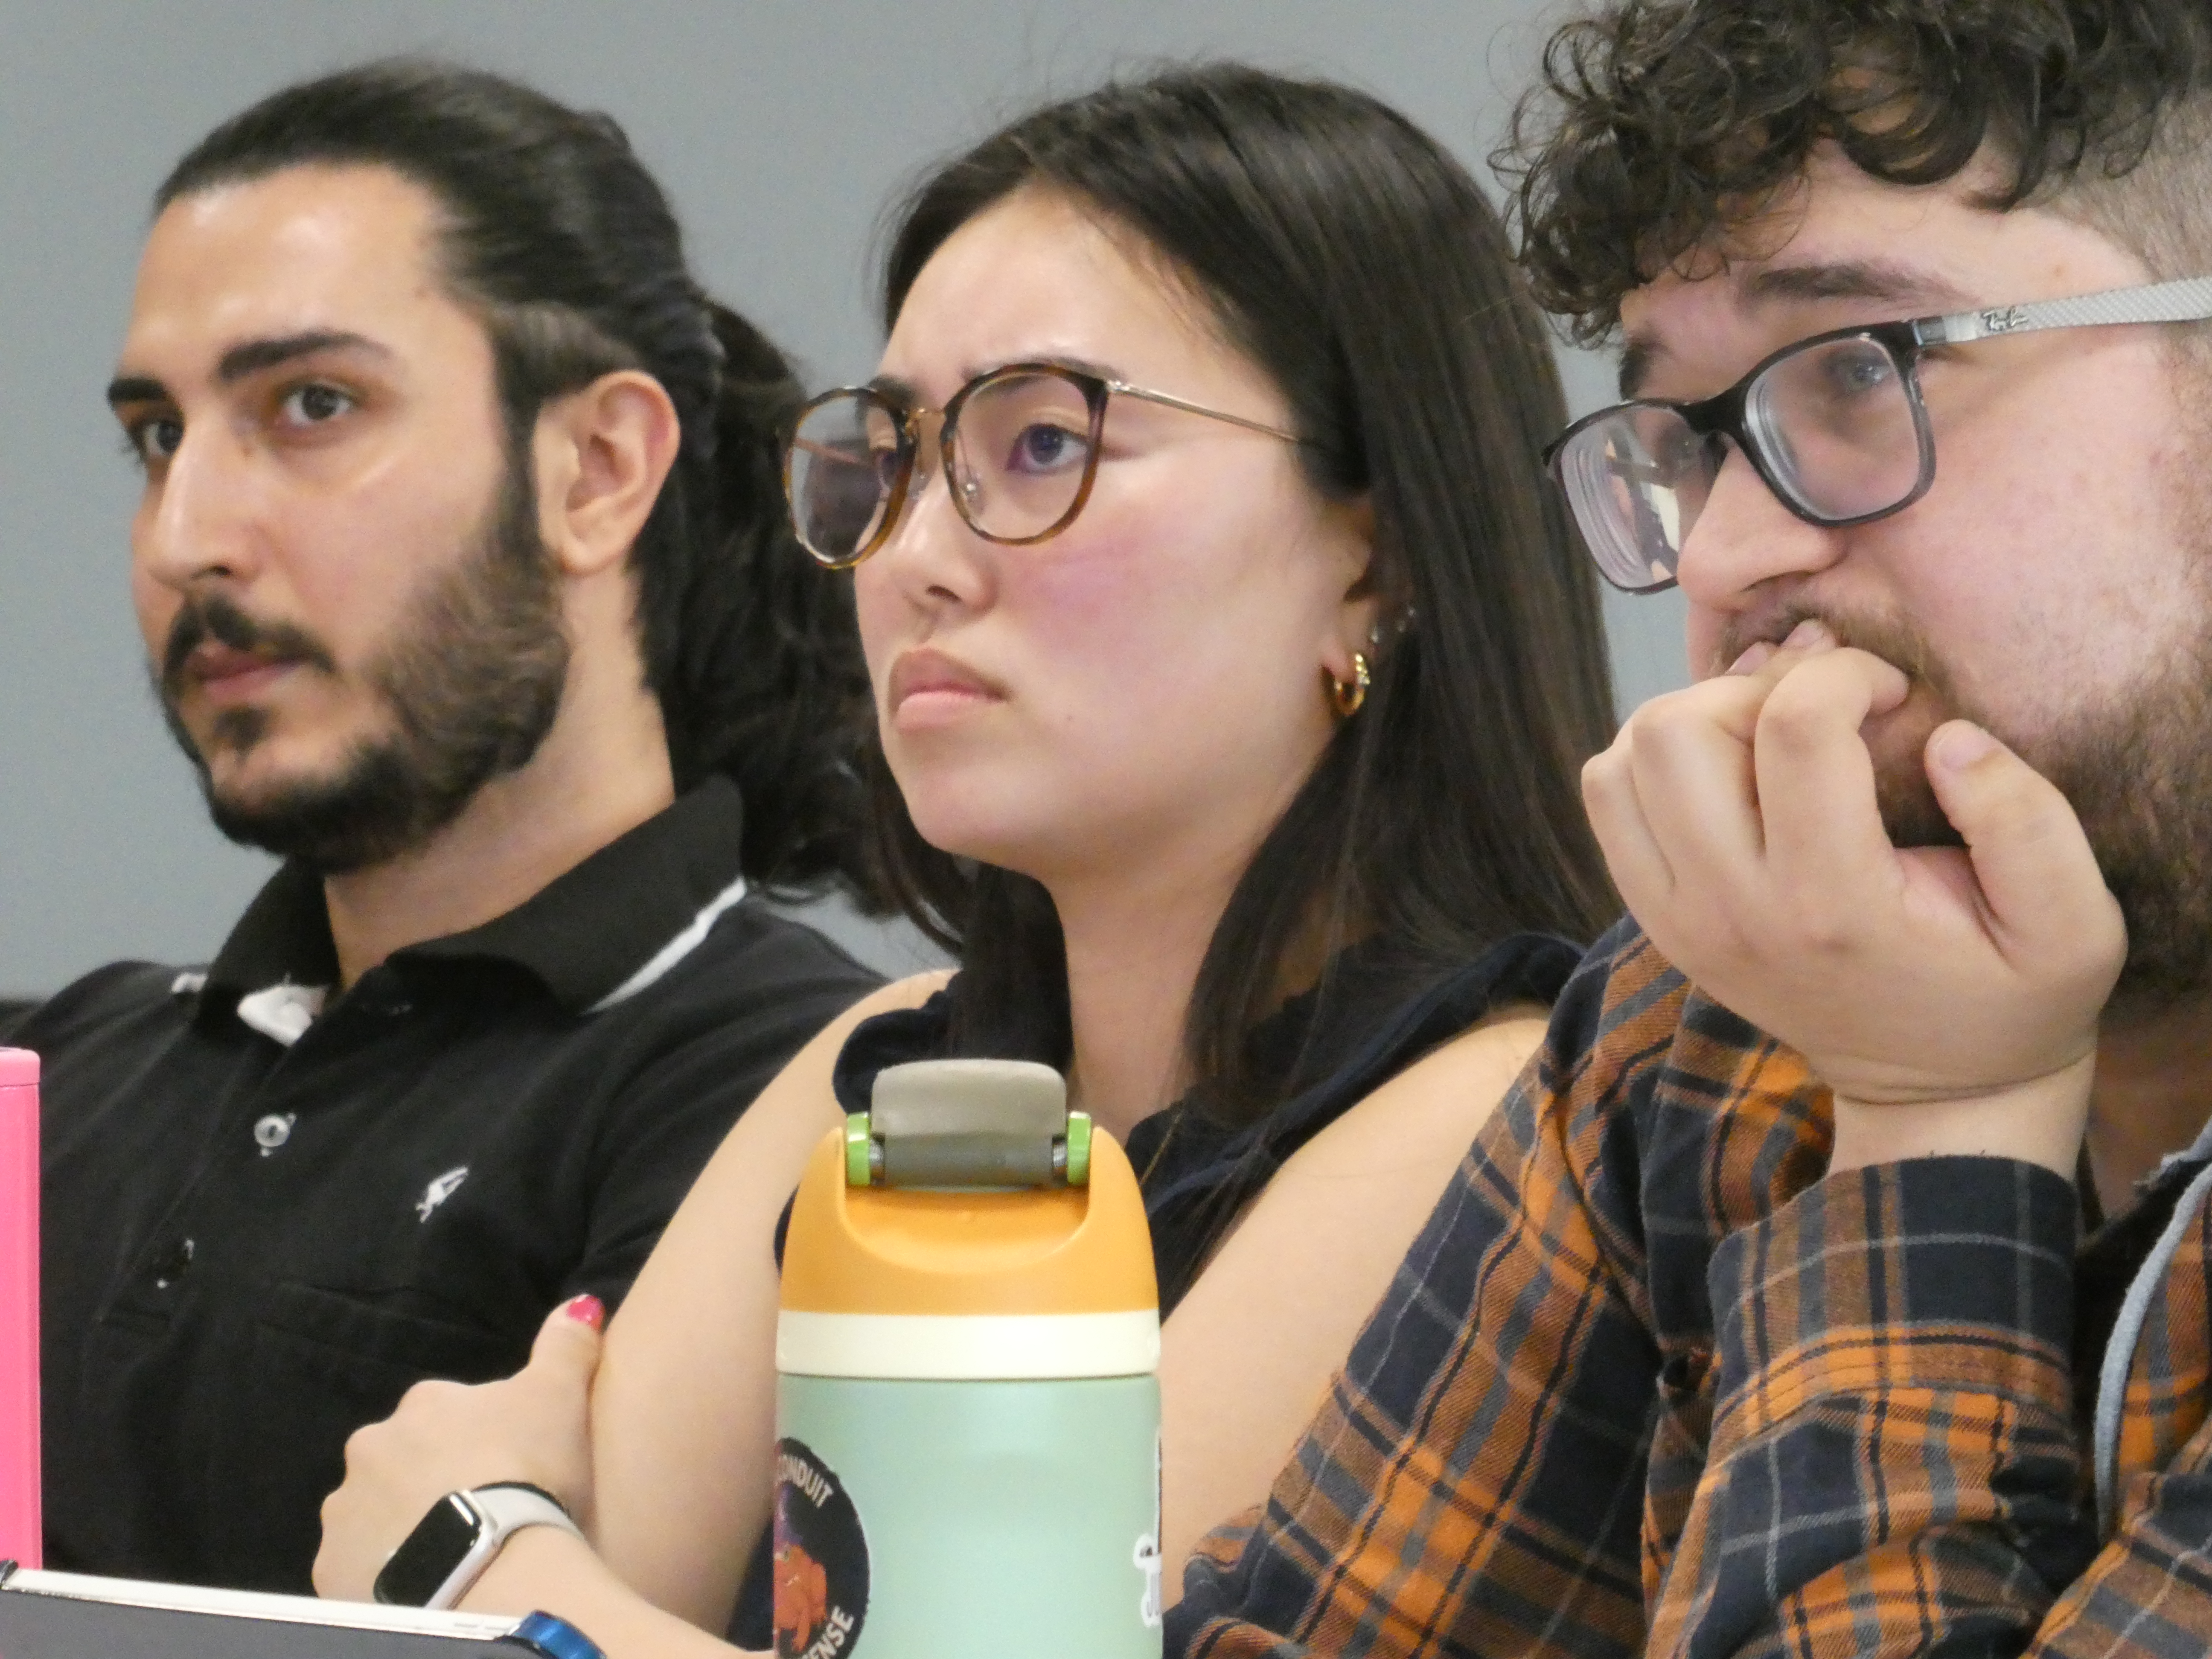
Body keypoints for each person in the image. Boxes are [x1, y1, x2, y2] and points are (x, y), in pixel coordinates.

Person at [311, 65, 1621, 1653]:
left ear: (1382, 551)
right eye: (894, 463)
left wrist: (479, 1556)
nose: (916, 559)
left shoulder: (1503, 1109)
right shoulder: (870, 1072)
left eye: (1046, 442)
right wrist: (542, 1585)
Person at [1155, 2, 2212, 1655]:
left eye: (1861, 368)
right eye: (1687, 444)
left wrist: (1934, 1118)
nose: (1721, 557)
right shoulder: (1711, 1028)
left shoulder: (1829, 1016)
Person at [0, 61, 885, 1594]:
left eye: (313, 406)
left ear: (596, 471)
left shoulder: (793, 1092)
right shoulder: (62, 1065)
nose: (186, 534)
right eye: (156, 436)